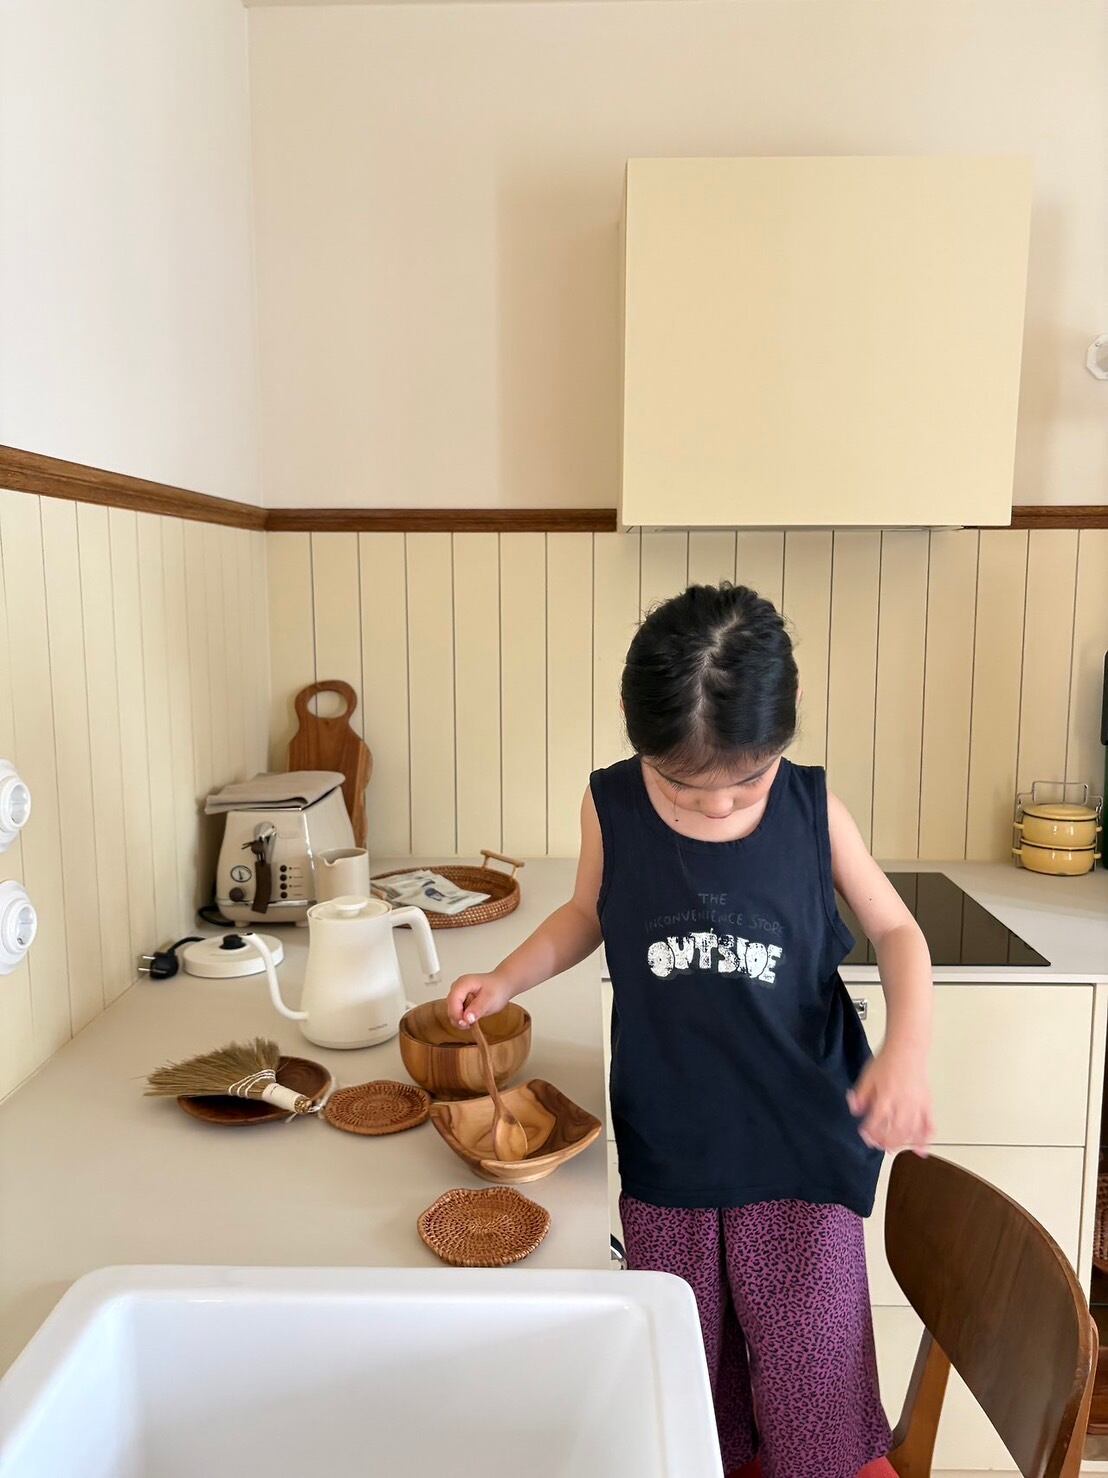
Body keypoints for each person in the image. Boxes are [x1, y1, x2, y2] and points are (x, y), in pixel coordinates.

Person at [447, 582, 934, 1478]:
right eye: (681, 783)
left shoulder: (814, 811)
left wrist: (905, 1051)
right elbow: (584, 914)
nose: (716, 807)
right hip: (669, 1143)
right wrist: (507, 977)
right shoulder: (611, 805)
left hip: (800, 1146)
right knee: (684, 1374)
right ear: (638, 739)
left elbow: (899, 931)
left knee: (812, 1383)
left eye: (748, 781)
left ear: (784, 732)